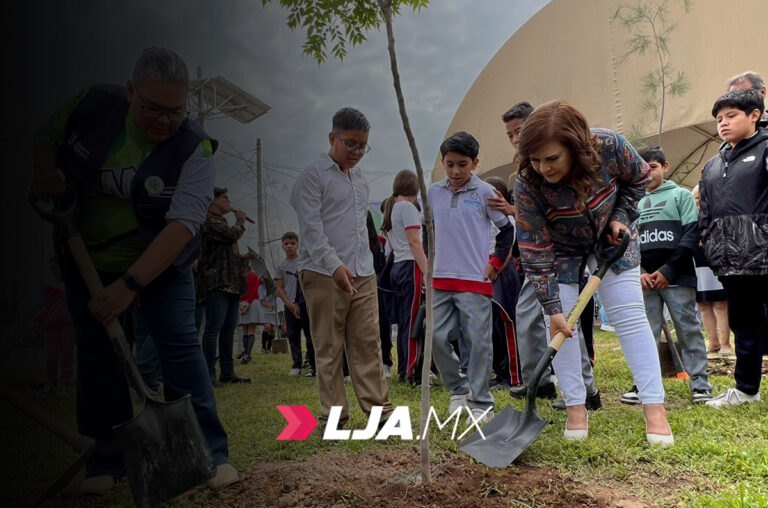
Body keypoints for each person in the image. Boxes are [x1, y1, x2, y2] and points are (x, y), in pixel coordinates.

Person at [30, 47, 238, 493]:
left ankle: (212, 453)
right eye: (153, 109)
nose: (165, 121)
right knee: (97, 355)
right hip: (87, 259)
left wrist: (129, 285)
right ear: (130, 93)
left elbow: (182, 226)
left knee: (180, 348)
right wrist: (46, 172)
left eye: (175, 111)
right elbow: (46, 136)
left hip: (162, 264)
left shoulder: (194, 147)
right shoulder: (92, 105)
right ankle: (105, 460)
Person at [514, 100, 672, 445]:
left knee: (630, 314)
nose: (542, 167)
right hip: (560, 249)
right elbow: (534, 248)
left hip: (611, 236)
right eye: (535, 159)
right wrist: (553, 309)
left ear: (575, 146)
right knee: (562, 326)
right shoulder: (528, 182)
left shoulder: (610, 146)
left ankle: (654, 408)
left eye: (551, 158)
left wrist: (622, 216)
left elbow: (639, 180)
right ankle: (575, 406)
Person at [290, 107, 393, 430]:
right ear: (332, 137)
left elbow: (359, 231)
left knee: (367, 343)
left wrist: (367, 269)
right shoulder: (312, 177)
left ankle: (381, 414)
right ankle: (333, 418)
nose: (356, 152)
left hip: (362, 273)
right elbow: (310, 229)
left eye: (363, 146)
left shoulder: (359, 180)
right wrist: (335, 266)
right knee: (328, 346)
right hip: (322, 272)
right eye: (350, 144)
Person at [498, 102, 600, 411]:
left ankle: (579, 388)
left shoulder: (570, 159)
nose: (516, 139)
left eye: (520, 131)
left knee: (558, 319)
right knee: (538, 317)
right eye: (510, 134)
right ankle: (542, 380)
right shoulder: (529, 171)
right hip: (537, 255)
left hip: (563, 254)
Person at [428, 131, 515, 424]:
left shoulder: (486, 194)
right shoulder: (432, 193)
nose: (455, 171)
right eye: (449, 164)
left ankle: (480, 403)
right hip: (440, 280)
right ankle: (458, 389)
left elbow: (507, 231)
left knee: (479, 343)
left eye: (462, 164)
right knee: (436, 338)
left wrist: (495, 263)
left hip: (476, 281)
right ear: (443, 162)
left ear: (475, 163)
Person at [699, 89, 768, 408]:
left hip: (763, 255)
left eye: (731, 116)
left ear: (755, 115)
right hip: (730, 260)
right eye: (718, 119)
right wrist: (709, 239)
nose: (723, 124)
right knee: (743, 324)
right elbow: (706, 210)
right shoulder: (712, 164)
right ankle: (746, 390)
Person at [628, 146, 712, 404]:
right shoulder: (634, 203)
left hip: (677, 278)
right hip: (645, 281)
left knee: (689, 330)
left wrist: (669, 270)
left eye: (652, 167)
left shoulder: (681, 196)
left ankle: (700, 384)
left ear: (665, 167)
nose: (647, 173)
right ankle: (644, 384)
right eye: (642, 169)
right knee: (646, 332)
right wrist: (640, 272)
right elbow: (630, 242)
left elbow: (691, 235)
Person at [197, 187, 251, 386]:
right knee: (213, 328)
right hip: (216, 283)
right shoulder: (209, 220)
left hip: (232, 284)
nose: (229, 201)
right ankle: (209, 373)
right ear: (214, 201)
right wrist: (241, 220)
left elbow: (226, 252)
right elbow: (230, 235)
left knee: (229, 329)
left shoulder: (222, 221)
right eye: (225, 198)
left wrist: (244, 259)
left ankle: (227, 372)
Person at [380, 170, 428, 383]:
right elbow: (414, 242)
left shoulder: (392, 207)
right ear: (414, 188)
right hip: (411, 266)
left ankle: (403, 369)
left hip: (398, 266)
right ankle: (411, 370)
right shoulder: (407, 207)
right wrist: (427, 271)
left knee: (404, 321)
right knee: (413, 320)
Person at [691, 184, 731, 354]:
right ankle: (713, 342)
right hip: (697, 263)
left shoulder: (719, 213)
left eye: (701, 197)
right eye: (696, 197)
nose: (699, 201)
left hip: (717, 261)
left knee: (721, 304)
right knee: (703, 305)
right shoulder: (690, 216)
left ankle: (725, 344)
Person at [276, 232, 315, 377]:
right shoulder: (281, 266)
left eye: (292, 243)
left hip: (305, 304)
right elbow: (279, 288)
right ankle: (296, 364)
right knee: (293, 335)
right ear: (283, 246)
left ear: (298, 245)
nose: (289, 246)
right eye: (286, 243)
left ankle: (313, 365)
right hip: (289, 305)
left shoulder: (303, 263)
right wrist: (290, 305)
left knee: (310, 335)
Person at [34, 256, 76, 394]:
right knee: (50, 357)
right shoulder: (49, 287)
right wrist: (39, 323)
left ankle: (64, 383)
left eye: (57, 267)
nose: (55, 271)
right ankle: (51, 382)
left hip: (68, 327)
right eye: (52, 268)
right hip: (51, 328)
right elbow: (41, 306)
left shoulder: (71, 286)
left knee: (67, 356)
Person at [237, 255, 260, 364]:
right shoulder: (254, 275)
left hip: (241, 303)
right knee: (251, 329)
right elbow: (255, 290)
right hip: (252, 303)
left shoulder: (239, 277)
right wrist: (249, 303)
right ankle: (247, 355)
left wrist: (241, 305)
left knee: (245, 330)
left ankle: (245, 354)